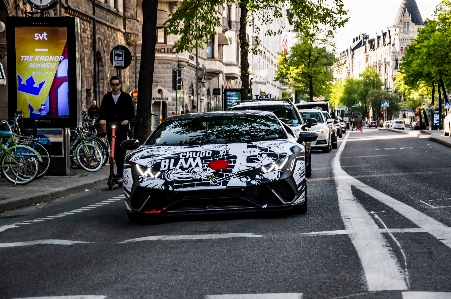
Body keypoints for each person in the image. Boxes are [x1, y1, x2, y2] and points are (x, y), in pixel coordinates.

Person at [98, 76, 134, 181]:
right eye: (113, 84)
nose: (115, 86)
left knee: (121, 150)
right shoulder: (106, 97)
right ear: (111, 85)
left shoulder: (126, 97)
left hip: (122, 127)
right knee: (113, 149)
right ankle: (112, 171)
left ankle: (120, 174)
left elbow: (130, 111)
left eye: (117, 84)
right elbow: (102, 111)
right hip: (110, 126)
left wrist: (127, 119)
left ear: (120, 85)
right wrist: (102, 119)